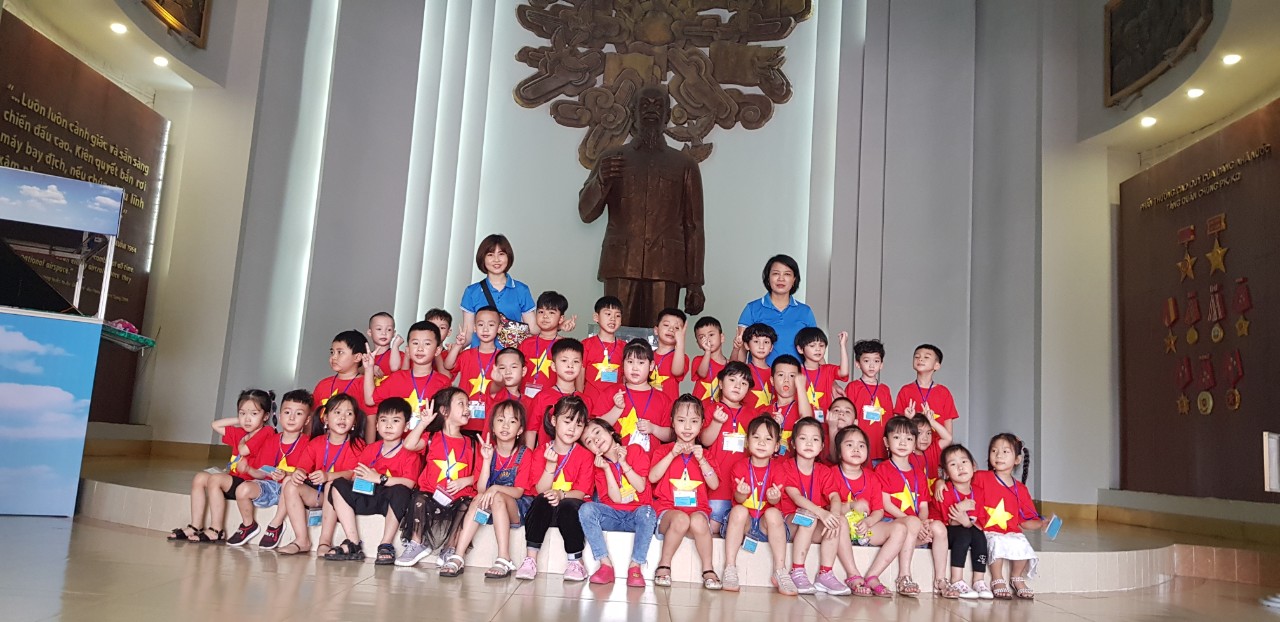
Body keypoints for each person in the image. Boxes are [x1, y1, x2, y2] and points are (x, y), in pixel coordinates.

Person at [577, 85, 706, 327]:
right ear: (633, 112)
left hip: (667, 267)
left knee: (662, 340)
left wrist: (695, 282)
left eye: (658, 105)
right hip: (621, 263)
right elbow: (586, 212)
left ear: (668, 115)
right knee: (615, 338)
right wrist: (601, 180)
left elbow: (694, 226)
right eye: (644, 104)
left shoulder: (684, 164)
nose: (651, 110)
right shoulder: (612, 158)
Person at [168, 389, 279, 544]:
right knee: (199, 478)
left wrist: (243, 430)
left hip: (251, 482)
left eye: (254, 414)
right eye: (242, 413)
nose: (247, 419)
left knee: (216, 479)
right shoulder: (241, 431)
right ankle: (195, 525)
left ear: (266, 416)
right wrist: (239, 420)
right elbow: (215, 425)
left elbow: (243, 450)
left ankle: (216, 530)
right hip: (235, 480)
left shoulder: (266, 431)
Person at [441, 400, 534, 579]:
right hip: (490, 506)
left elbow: (519, 492)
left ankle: (504, 558)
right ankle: (458, 556)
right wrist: (486, 460)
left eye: (512, 421)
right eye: (500, 420)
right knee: (478, 498)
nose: (505, 425)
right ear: (492, 426)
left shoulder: (524, 454)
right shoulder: (487, 451)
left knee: (497, 496)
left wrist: (495, 488)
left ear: (520, 430)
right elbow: (481, 489)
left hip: (517, 508)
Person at [324, 397, 423, 562]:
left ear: (406, 426)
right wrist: (363, 477)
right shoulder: (370, 449)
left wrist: (380, 478)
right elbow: (356, 475)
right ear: (376, 425)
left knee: (401, 490)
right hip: (368, 495)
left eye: (395, 421)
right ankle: (353, 542)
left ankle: (386, 544)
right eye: (383, 420)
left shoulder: (410, 453)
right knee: (338, 484)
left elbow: (409, 483)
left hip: (391, 502)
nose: (388, 426)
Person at [269, 393, 365, 556]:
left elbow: (354, 474)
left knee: (331, 485)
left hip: (343, 499)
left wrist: (328, 476)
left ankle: (324, 542)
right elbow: (303, 467)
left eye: (349, 414)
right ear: (325, 418)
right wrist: (298, 473)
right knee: (291, 484)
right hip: (319, 494)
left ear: (355, 421)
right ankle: (302, 540)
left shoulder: (357, 445)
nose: (343, 417)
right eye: (337, 412)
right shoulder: (316, 443)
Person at [513, 396, 595, 581]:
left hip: (570, 508)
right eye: (567, 421)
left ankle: (576, 562)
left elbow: (581, 493)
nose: (572, 428)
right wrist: (550, 467)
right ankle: (530, 559)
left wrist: (561, 494)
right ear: (554, 420)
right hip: (546, 508)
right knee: (541, 500)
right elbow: (540, 489)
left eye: (579, 424)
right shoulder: (540, 451)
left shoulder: (585, 456)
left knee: (568, 505)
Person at [398, 388, 480, 569]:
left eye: (468, 404)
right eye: (461, 404)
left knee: (466, 505)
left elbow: (481, 475)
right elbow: (409, 444)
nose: (467, 408)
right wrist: (423, 423)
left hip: (459, 497)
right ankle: (417, 542)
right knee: (419, 499)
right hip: (432, 494)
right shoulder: (431, 438)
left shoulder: (472, 443)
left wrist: (465, 481)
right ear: (444, 411)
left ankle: (450, 547)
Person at [875, 415, 952, 598]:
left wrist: (923, 523)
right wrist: (913, 522)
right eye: (896, 437)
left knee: (939, 528)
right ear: (886, 442)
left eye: (909, 438)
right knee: (911, 523)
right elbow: (886, 503)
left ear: (915, 442)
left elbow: (923, 506)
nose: (903, 443)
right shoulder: (883, 468)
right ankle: (904, 576)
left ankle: (940, 580)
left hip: (916, 525)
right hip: (893, 523)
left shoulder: (919, 473)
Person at [649, 396, 721, 590]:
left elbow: (714, 484)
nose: (687, 427)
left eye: (694, 421)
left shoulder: (705, 454)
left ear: (702, 424)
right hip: (668, 512)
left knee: (698, 521)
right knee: (681, 519)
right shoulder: (663, 451)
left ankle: (708, 569)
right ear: (672, 422)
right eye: (681, 420)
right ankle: (664, 565)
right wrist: (672, 454)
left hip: (696, 511)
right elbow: (653, 477)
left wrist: (702, 460)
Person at [228, 389, 314, 547]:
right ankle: (248, 524)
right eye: (287, 412)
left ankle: (276, 524)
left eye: (299, 414)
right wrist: (248, 470)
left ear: (307, 420)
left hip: (291, 490)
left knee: (288, 482)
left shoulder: (309, 444)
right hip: (269, 486)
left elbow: (306, 476)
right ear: (280, 416)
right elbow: (261, 473)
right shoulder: (271, 440)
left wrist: (286, 474)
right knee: (242, 489)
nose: (292, 418)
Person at [830, 424, 907, 597]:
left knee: (900, 529)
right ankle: (853, 575)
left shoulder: (872, 477)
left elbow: (879, 510)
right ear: (839, 450)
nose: (856, 449)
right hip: (841, 529)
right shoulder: (831, 474)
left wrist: (868, 521)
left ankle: (873, 576)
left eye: (861, 445)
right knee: (839, 522)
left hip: (865, 529)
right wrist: (851, 506)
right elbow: (828, 508)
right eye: (849, 444)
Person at [579, 418, 656, 587]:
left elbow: (640, 486)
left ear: (611, 431)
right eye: (589, 441)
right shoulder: (599, 466)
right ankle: (605, 565)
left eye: (597, 432)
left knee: (648, 512)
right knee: (586, 509)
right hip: (613, 516)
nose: (595, 440)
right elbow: (616, 499)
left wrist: (623, 463)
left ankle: (635, 566)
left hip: (637, 514)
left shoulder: (635, 450)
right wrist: (607, 468)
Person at [778, 417, 851, 596]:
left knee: (839, 520)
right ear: (793, 443)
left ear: (822, 446)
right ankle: (797, 571)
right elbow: (796, 497)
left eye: (815, 439)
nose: (809, 443)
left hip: (813, 524)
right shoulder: (786, 466)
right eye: (803, 438)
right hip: (789, 523)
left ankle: (825, 574)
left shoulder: (823, 471)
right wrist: (821, 513)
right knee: (807, 517)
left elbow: (834, 496)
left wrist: (834, 515)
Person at [721, 415, 792, 594]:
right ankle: (730, 567)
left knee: (773, 513)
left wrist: (774, 497)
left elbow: (775, 502)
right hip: (744, 526)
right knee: (739, 510)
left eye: (768, 439)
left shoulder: (778, 469)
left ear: (776, 446)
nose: (761, 443)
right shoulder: (739, 467)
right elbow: (738, 499)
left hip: (765, 526)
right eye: (756, 437)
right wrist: (741, 492)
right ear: (747, 442)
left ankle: (780, 570)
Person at [974, 433, 1045, 600]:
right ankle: (997, 579)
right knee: (996, 542)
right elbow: (961, 487)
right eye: (994, 451)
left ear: (1017, 459)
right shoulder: (980, 477)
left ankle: (1016, 577)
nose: (999, 455)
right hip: (987, 529)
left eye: (1005, 451)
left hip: (1011, 531)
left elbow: (1025, 521)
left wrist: (1042, 524)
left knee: (1022, 543)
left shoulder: (1021, 489)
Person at [698, 362, 761, 535]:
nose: (737, 386)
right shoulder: (710, 409)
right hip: (716, 489)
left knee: (738, 531)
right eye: (732, 380)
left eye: (743, 383)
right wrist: (716, 422)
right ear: (720, 383)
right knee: (711, 531)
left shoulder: (752, 414)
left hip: (742, 488)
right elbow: (705, 440)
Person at [363, 321, 451, 441]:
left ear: (437, 350)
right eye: (415, 343)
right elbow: (370, 400)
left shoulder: (443, 382)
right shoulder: (396, 378)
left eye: (427, 344)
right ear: (408, 349)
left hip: (428, 444)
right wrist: (368, 368)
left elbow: (446, 420)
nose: (420, 348)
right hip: (397, 445)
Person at [933, 444, 992, 600]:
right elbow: (949, 521)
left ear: (973, 466)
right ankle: (956, 579)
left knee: (979, 536)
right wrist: (960, 508)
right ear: (946, 473)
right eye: (953, 464)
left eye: (964, 462)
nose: (960, 467)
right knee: (963, 534)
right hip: (947, 532)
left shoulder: (978, 491)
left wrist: (966, 522)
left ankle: (979, 580)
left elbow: (979, 521)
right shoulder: (945, 490)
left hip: (967, 527)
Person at [736, 254, 816, 366]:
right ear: (768, 278)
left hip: (796, 375)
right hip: (759, 375)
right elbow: (741, 350)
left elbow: (815, 349)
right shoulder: (752, 309)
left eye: (787, 274)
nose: (781, 279)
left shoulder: (805, 312)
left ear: (794, 280)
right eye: (776, 273)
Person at [459, 234, 536, 347]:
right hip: (479, 355)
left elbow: (532, 328)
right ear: (483, 258)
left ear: (508, 257)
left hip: (510, 356)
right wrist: (458, 346)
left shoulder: (521, 290)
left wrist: (556, 325)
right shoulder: (472, 292)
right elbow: (469, 332)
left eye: (501, 254)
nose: (496, 260)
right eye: (490, 255)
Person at [597, 338, 673, 447]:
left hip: (651, 457)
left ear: (651, 365)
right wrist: (617, 409)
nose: (635, 368)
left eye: (641, 362)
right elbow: (597, 428)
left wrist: (654, 429)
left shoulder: (663, 399)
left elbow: (671, 435)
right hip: (616, 456)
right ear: (623, 363)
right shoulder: (611, 392)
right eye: (630, 362)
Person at [443, 305, 502, 432]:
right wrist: (458, 345)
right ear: (474, 328)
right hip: (464, 418)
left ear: (499, 328)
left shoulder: (502, 357)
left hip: (491, 420)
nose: (485, 329)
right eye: (480, 324)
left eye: (491, 325)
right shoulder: (467, 355)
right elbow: (448, 365)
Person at [523, 338, 587, 448]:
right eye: (564, 360)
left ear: (581, 366)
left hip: (574, 458)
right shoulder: (541, 397)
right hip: (544, 456)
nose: (570, 365)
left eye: (576, 361)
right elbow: (531, 431)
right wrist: (530, 456)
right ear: (553, 366)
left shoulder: (586, 400)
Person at [894, 344, 960, 448]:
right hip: (911, 449)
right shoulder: (905, 390)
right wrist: (907, 419)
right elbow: (896, 427)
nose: (920, 359)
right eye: (917, 356)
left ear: (937, 365)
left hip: (937, 449)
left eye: (926, 357)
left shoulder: (944, 392)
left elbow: (948, 433)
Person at [518, 291, 573, 395]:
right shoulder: (526, 343)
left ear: (561, 318)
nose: (545, 316)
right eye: (541, 312)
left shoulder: (565, 346)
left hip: (554, 400)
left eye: (551, 312)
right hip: (525, 399)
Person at [847, 339, 893, 462]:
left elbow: (889, 419)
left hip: (881, 446)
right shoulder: (853, 387)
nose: (872, 365)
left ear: (881, 364)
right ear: (858, 364)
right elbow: (848, 416)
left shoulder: (885, 389)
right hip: (859, 446)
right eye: (866, 361)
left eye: (876, 361)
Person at [794, 327, 850, 424]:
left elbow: (844, 372)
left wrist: (842, 345)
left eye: (821, 345)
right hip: (802, 423)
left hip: (824, 424)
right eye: (812, 346)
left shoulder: (827, 369)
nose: (818, 349)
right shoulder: (795, 371)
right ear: (800, 349)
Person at [766, 355, 814, 456]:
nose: (786, 380)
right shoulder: (762, 411)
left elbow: (807, 421)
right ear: (772, 380)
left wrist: (801, 387)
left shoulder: (805, 408)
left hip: (794, 465)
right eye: (781, 375)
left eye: (792, 376)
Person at [312, 331, 370, 413]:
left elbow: (370, 417)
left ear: (357, 357)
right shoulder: (322, 384)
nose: (334, 357)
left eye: (340, 352)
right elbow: (313, 415)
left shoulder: (366, 385)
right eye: (332, 352)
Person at [581, 296, 624, 398]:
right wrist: (580, 398)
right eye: (608, 314)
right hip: (589, 400)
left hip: (614, 402)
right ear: (596, 317)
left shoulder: (625, 348)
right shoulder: (585, 345)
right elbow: (580, 375)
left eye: (617, 315)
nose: (613, 319)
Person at [649, 308, 688, 400]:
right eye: (666, 325)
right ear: (656, 330)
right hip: (647, 404)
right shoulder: (647, 356)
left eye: (677, 328)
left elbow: (676, 372)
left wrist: (680, 342)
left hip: (669, 406)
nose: (671, 329)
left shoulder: (682, 357)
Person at [735, 323, 776, 408]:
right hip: (748, 415)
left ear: (771, 347)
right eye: (756, 341)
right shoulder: (743, 371)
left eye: (766, 342)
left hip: (770, 415)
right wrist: (736, 349)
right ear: (747, 345)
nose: (761, 346)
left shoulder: (776, 373)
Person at [691, 316, 728, 400]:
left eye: (711, 335)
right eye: (702, 337)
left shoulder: (728, 364)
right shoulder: (698, 360)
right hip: (699, 407)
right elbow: (702, 374)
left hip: (719, 408)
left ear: (722, 337)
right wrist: (707, 351)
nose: (708, 340)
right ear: (698, 344)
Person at [366, 312, 403, 379]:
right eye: (379, 329)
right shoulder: (366, 357)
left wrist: (395, 346)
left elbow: (395, 368)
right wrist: (370, 368)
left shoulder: (400, 355)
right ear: (370, 332)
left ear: (394, 333)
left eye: (389, 330)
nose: (384, 333)